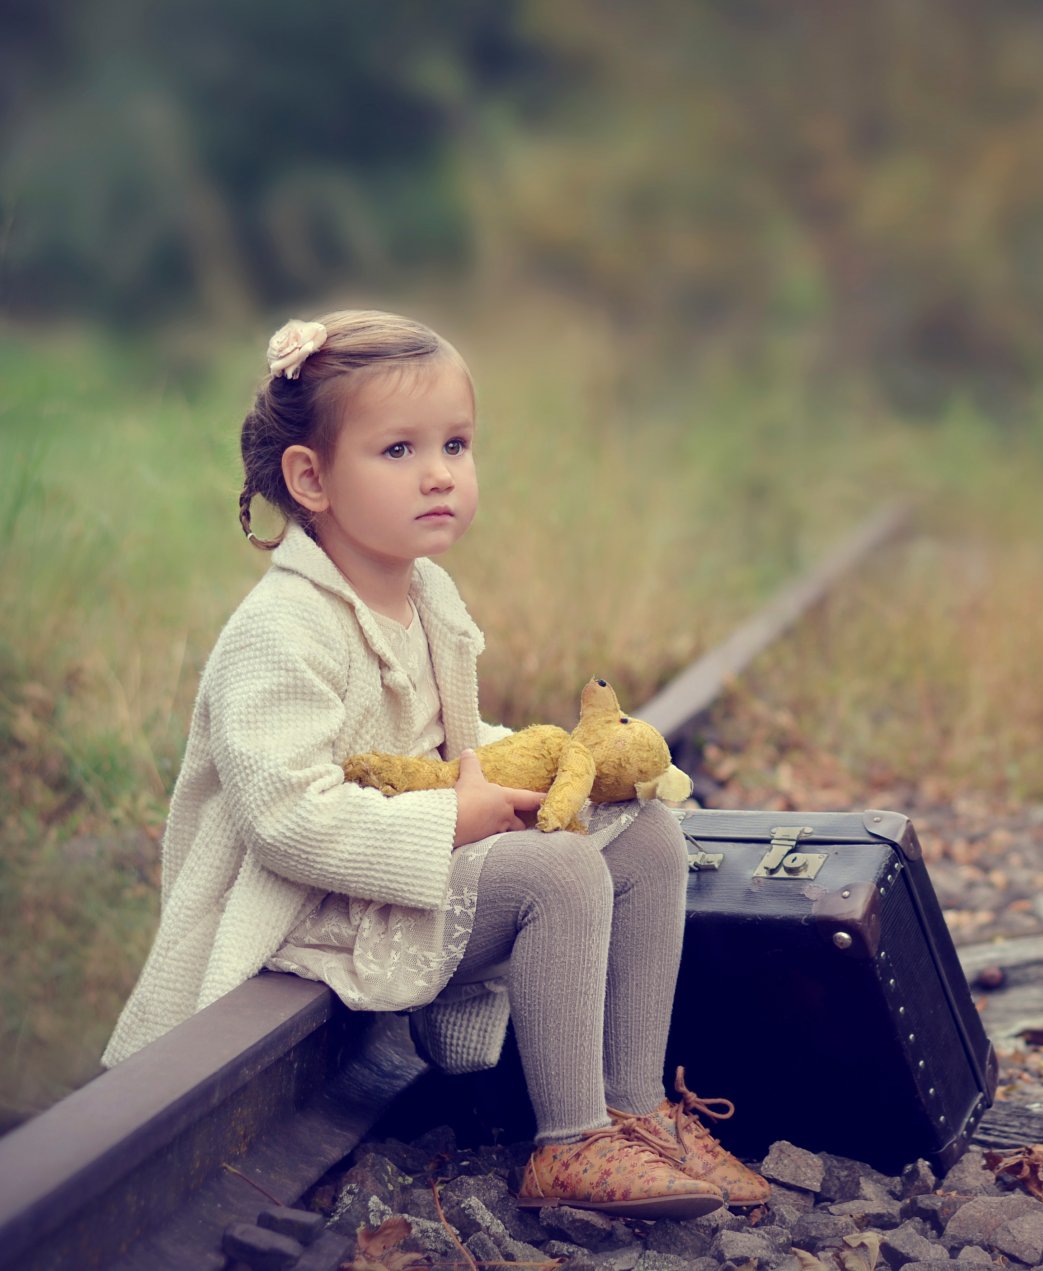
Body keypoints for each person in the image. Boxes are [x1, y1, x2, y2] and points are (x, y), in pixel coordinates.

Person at [101, 310, 767, 1220]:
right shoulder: (279, 631)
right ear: (311, 478)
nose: (441, 473)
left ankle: (637, 1108)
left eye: (456, 443)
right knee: (559, 869)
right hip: (302, 899)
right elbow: (288, 818)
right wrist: (460, 817)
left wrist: (544, 766)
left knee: (646, 834)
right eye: (400, 450)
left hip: (397, 857)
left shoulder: (427, 591)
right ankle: (569, 1141)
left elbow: (442, 740)